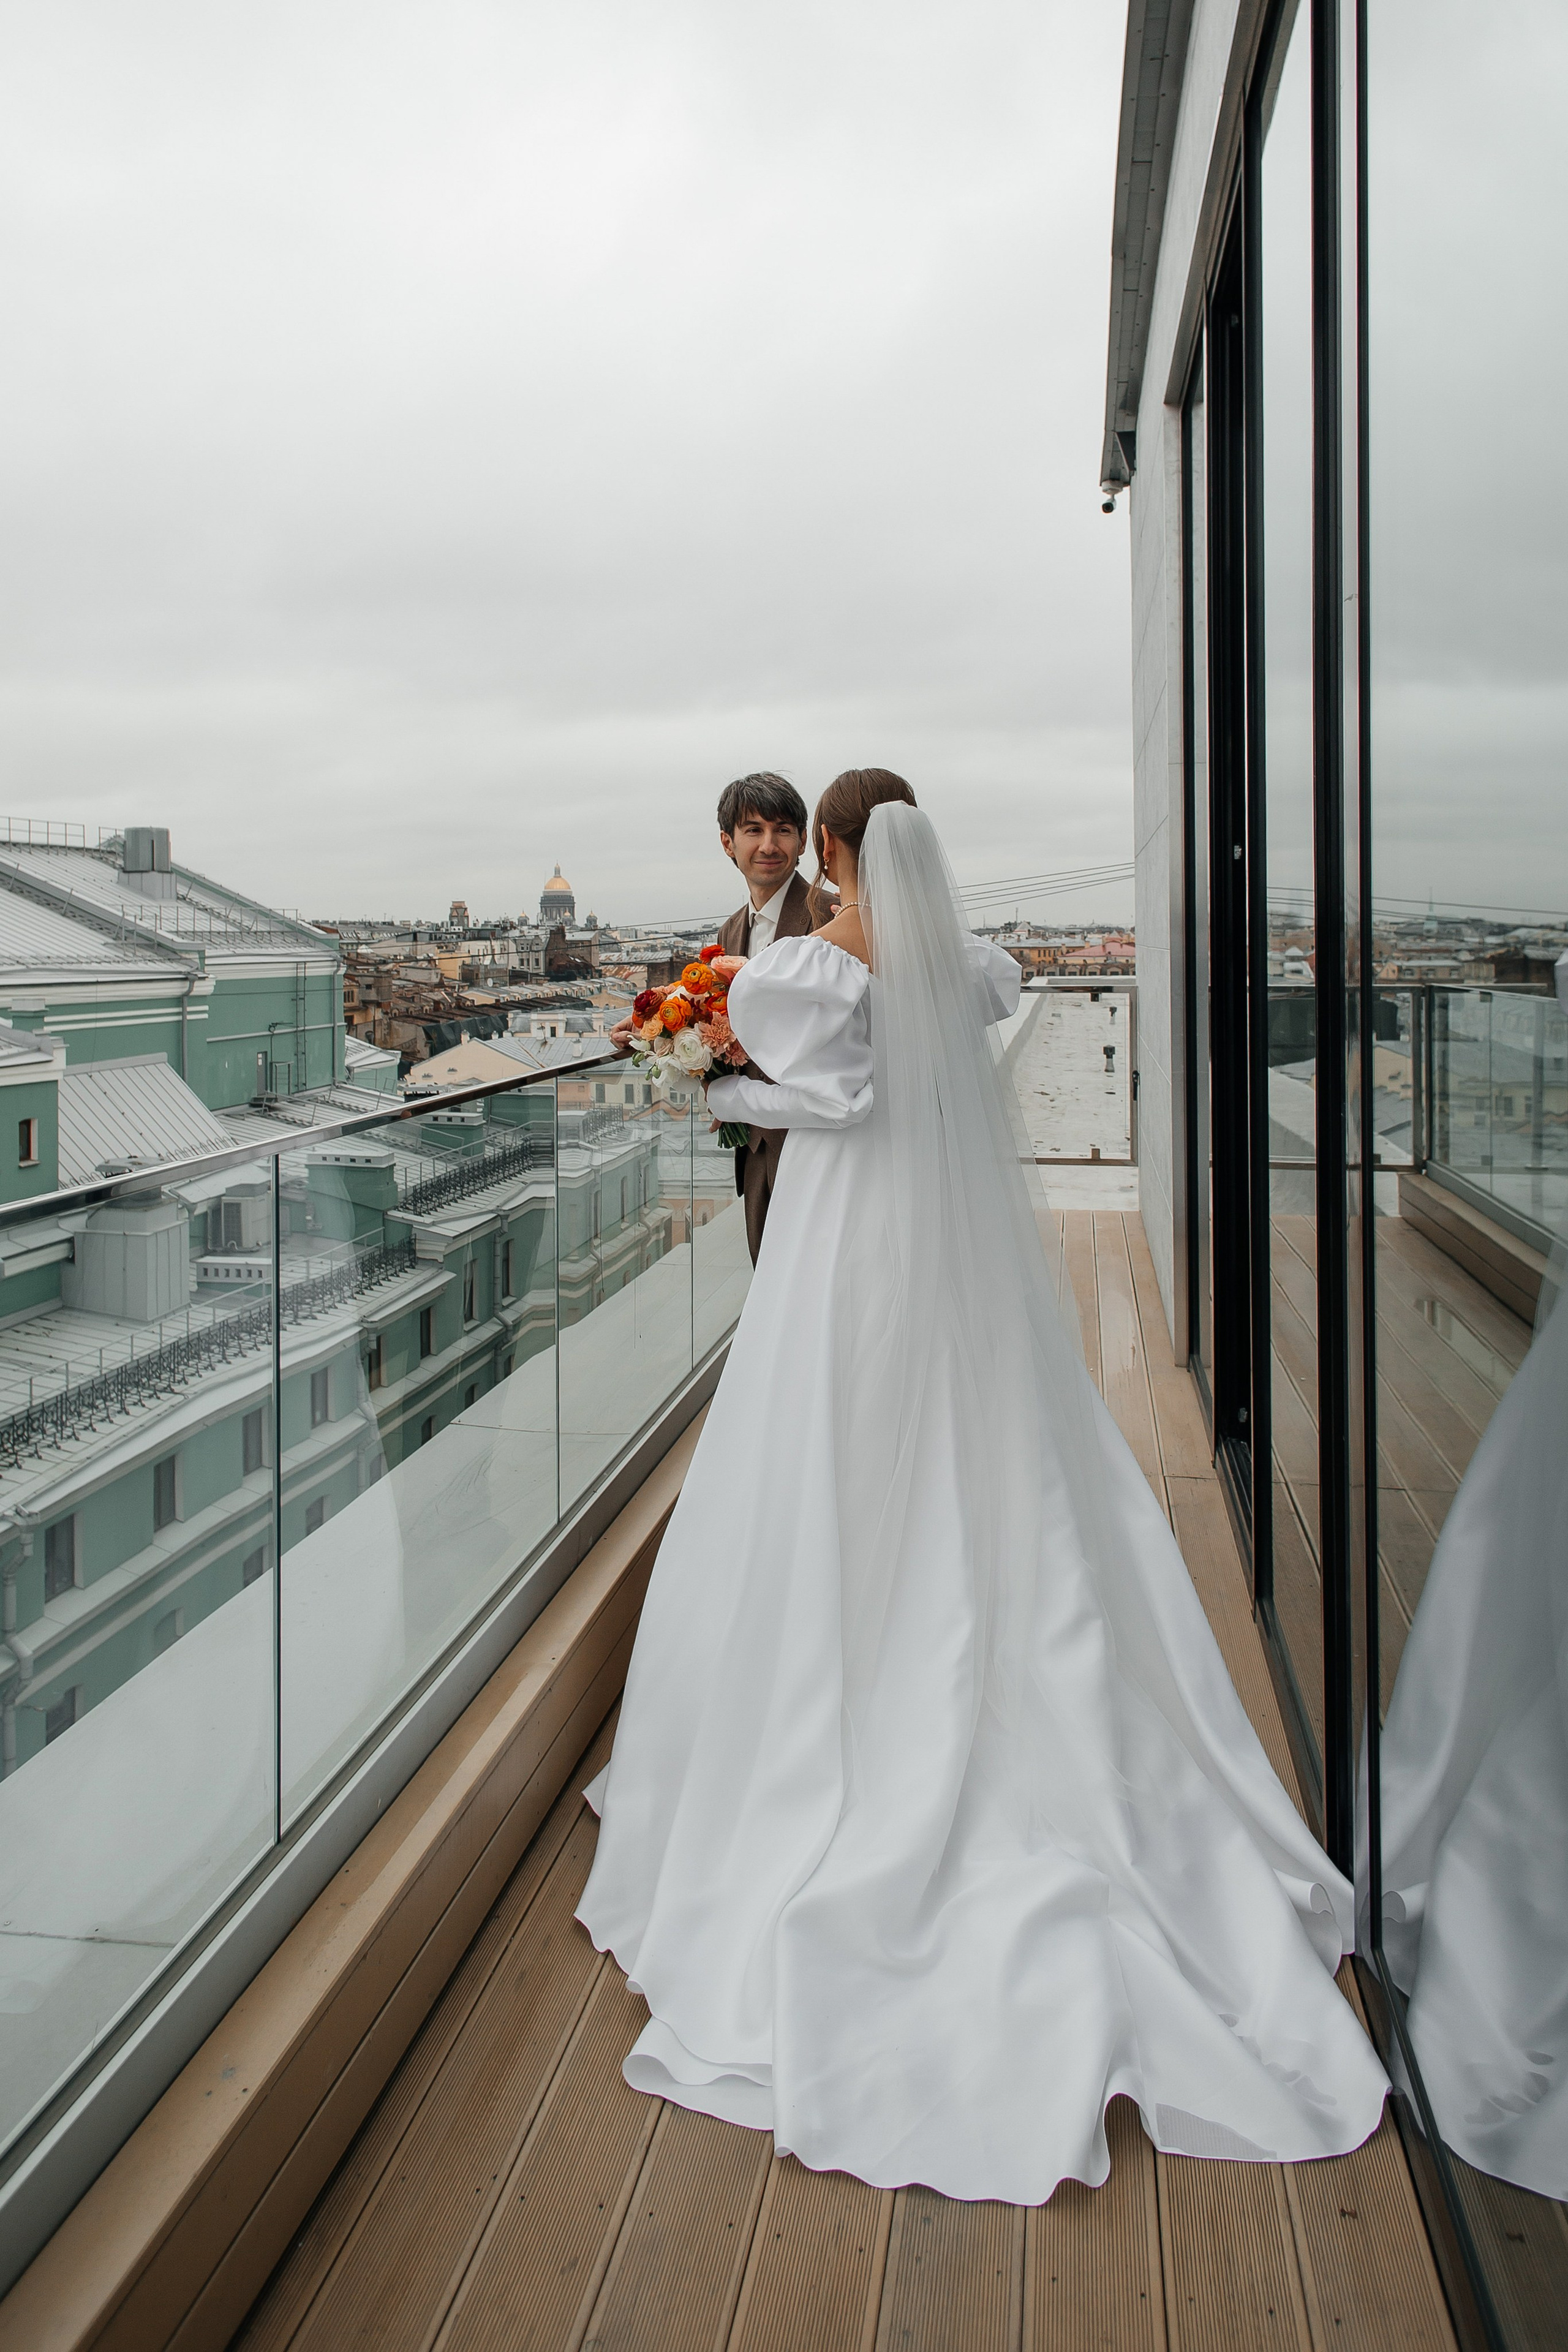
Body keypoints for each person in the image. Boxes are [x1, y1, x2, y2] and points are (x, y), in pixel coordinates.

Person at [578, 769, 1387, 2206]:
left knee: (827, 1456)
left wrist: (703, 1071)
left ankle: (834, 1705)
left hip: (841, 1239)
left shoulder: (807, 965)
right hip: (945, 1246)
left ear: (828, 850)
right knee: (982, 1443)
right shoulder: (963, 952)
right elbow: (992, 996)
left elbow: (818, 1097)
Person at [711, 772, 823, 1261]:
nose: (769, 845)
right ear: (727, 843)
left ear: (803, 843)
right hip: (754, 1153)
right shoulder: (731, 930)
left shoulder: (831, 918)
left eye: (783, 830)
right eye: (753, 830)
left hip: (821, 1148)